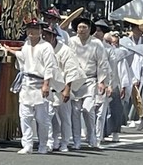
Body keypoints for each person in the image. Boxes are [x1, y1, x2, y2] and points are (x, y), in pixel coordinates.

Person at [3, 19, 56, 154]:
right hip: (27, 83)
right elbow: (22, 57)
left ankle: (43, 144)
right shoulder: (26, 45)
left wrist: (46, 84)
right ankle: (27, 144)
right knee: (25, 116)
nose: (32, 31)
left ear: (40, 31)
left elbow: (50, 67)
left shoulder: (46, 47)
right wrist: (9, 50)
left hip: (40, 83)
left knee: (41, 118)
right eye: (29, 29)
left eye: (35, 28)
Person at [68, 17, 112, 150]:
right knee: (75, 111)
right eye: (79, 27)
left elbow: (102, 63)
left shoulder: (96, 43)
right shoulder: (71, 41)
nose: (81, 30)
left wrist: (102, 81)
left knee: (88, 109)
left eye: (84, 27)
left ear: (89, 29)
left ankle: (92, 135)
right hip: (75, 79)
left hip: (91, 80)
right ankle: (76, 139)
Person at [42, 26, 84, 152]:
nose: (45, 37)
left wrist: (67, 88)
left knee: (65, 117)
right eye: (43, 35)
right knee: (48, 116)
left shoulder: (65, 50)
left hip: (62, 86)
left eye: (48, 35)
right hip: (49, 87)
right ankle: (52, 140)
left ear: (54, 36)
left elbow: (71, 70)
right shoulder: (43, 49)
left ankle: (65, 142)